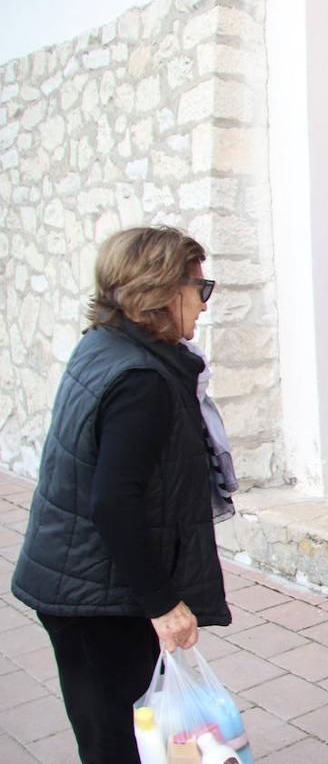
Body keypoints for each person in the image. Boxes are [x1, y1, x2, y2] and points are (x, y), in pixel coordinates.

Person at [11, 227, 232, 764]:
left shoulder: (106, 343)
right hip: (96, 598)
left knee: (118, 729)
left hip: (82, 580)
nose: (205, 304)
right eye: (200, 289)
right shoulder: (141, 378)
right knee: (117, 740)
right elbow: (113, 500)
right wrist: (164, 604)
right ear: (162, 291)